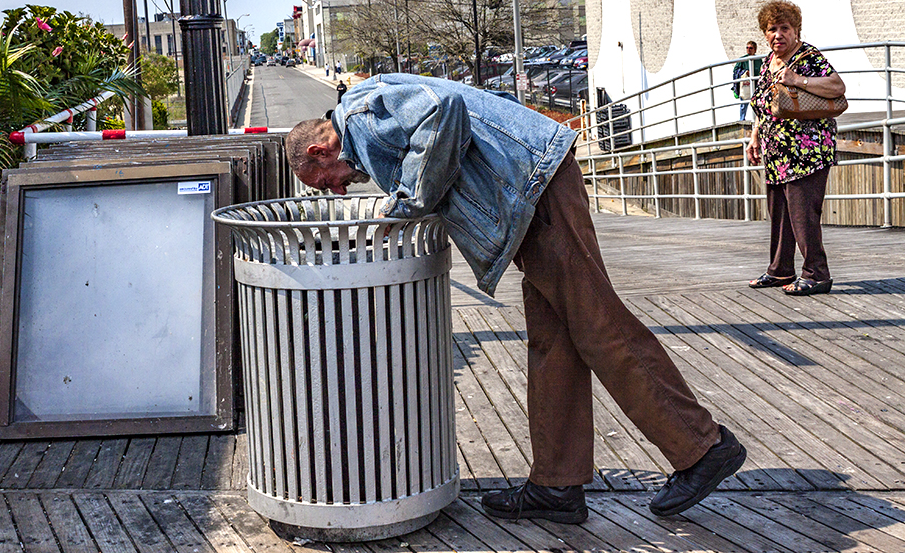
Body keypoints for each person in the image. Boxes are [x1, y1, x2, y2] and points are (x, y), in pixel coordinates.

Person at [285, 73, 746, 523]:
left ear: (319, 151)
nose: (342, 189)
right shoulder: (363, 110)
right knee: (554, 341)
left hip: (535, 188)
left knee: (598, 324)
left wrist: (407, 201)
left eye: (328, 182)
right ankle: (556, 484)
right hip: (530, 195)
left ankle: (702, 446)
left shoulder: (359, 117)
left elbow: (442, 111)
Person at [747, 0, 844, 296]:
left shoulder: (807, 57)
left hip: (807, 151)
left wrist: (796, 79)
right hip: (777, 151)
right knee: (779, 215)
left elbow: (837, 87)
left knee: (803, 215)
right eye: (772, 29)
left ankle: (816, 273)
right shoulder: (768, 61)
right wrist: (755, 136)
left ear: (796, 31)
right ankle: (780, 270)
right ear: (765, 34)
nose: (778, 34)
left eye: (784, 28)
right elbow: (767, 105)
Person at [733, 41, 762, 121]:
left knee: (756, 102)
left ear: (755, 50)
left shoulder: (758, 60)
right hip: (746, 84)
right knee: (744, 102)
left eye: (751, 48)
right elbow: (736, 70)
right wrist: (745, 72)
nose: (749, 49)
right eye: (747, 47)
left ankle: (757, 119)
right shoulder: (742, 59)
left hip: (755, 84)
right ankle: (742, 119)